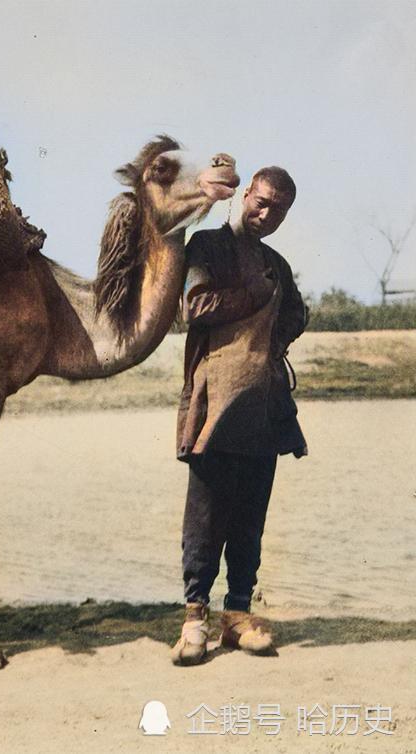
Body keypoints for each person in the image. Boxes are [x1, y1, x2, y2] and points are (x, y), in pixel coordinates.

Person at [170, 167, 308, 666]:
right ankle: (194, 619)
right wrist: (254, 295)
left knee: (251, 517)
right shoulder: (206, 247)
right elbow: (196, 305)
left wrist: (271, 346)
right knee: (205, 516)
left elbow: (297, 313)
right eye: (262, 201)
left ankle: (237, 615)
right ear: (246, 193)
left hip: (264, 406)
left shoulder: (277, 264)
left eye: (279, 210)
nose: (266, 214)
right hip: (214, 403)